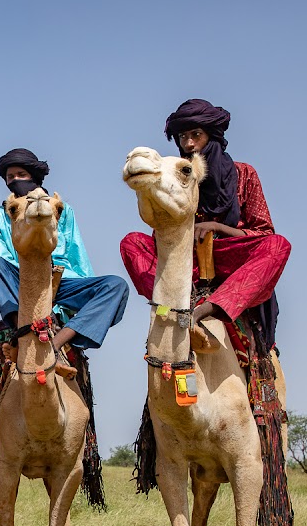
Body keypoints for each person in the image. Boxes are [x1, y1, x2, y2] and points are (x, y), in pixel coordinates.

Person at [119, 99, 290, 343]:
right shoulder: (176, 176)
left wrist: (217, 227)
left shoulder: (245, 174)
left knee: (278, 245)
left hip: (230, 258)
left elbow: (263, 232)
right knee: (131, 243)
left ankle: (209, 308)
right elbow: (161, 229)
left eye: (196, 135)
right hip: (183, 259)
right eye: (182, 137)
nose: (189, 144)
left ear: (212, 136)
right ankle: (168, 303)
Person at [0, 148, 128, 362]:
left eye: (21, 175)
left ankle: (58, 342)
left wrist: (83, 297)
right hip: (24, 280)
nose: (15, 180)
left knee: (115, 286)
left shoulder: (60, 209)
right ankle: (21, 329)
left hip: (63, 281)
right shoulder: (1, 215)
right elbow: (5, 255)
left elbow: (76, 252)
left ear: (33, 176)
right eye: (10, 177)